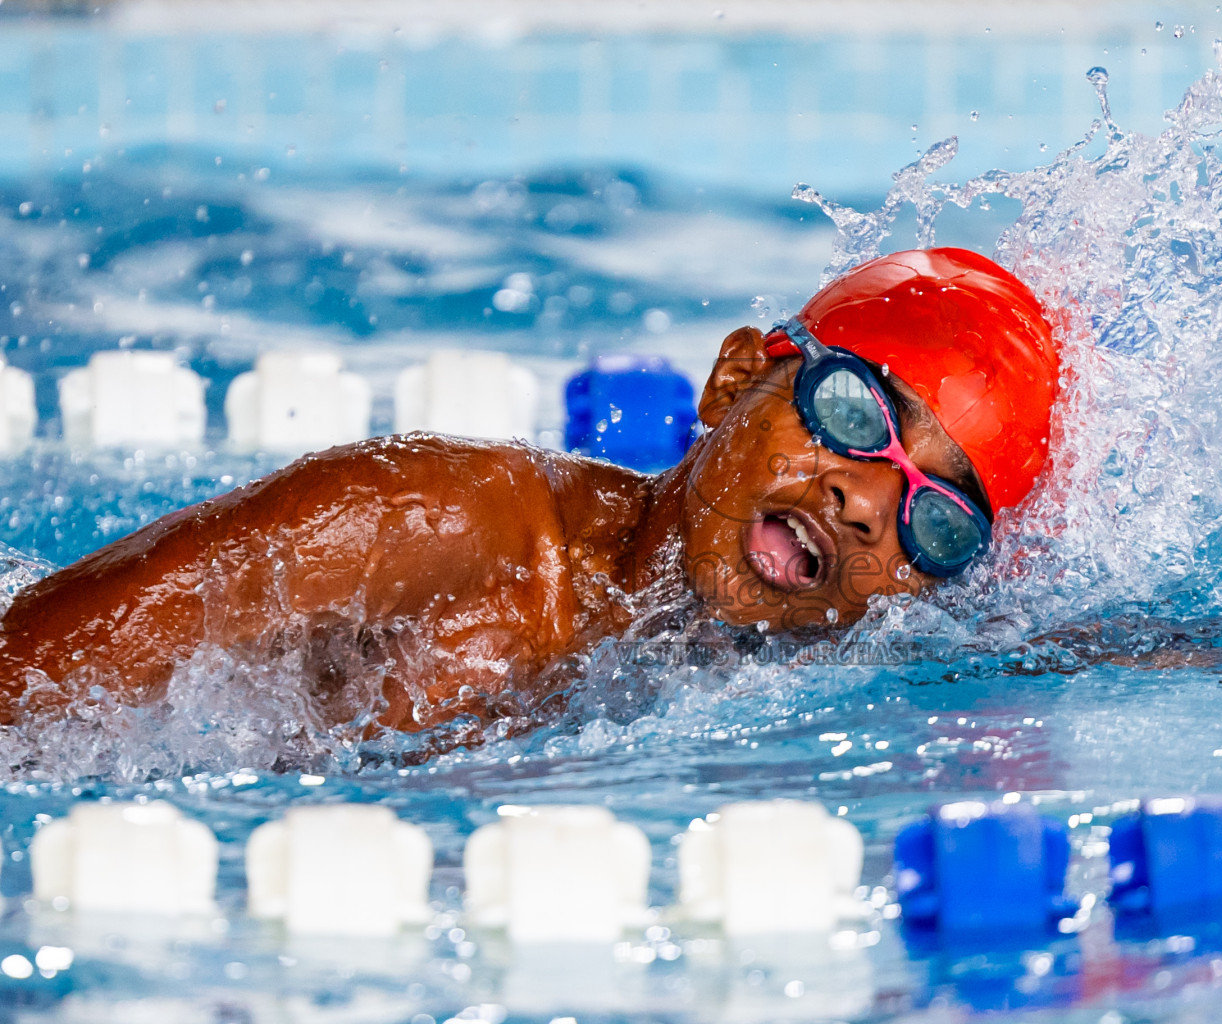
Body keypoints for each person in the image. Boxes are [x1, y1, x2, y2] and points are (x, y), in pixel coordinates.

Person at [0, 248, 1059, 733]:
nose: (869, 503)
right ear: (736, 377)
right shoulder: (429, 517)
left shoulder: (813, 695)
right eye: (853, 417)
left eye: (936, 516)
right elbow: (26, 675)